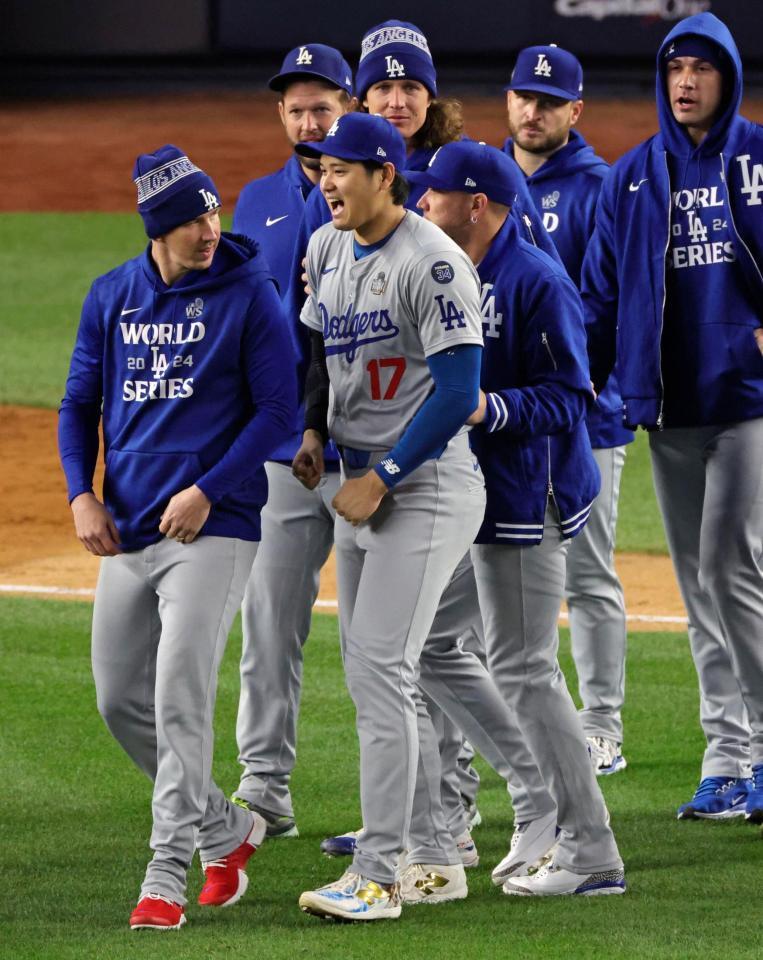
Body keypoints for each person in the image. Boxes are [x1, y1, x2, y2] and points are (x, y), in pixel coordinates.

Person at [58, 145, 296, 930]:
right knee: (119, 697)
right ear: (158, 228)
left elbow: (276, 414)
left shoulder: (249, 294)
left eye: (212, 211)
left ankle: (165, 875)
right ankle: (229, 829)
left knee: (179, 696)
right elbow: (78, 403)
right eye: (192, 218)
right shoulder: (113, 296)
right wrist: (80, 495)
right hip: (125, 529)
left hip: (214, 528)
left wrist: (206, 490)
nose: (208, 228)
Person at [413, 140, 626, 896]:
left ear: (477, 206)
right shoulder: (444, 270)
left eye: (433, 195)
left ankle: (590, 850)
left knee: (526, 668)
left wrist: (489, 408)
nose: (420, 203)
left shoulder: (533, 280)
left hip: (525, 498)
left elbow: (571, 395)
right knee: (436, 642)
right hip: (471, 498)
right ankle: (539, 800)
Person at [291, 112, 487, 921]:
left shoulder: (431, 263)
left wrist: (387, 475)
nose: (326, 181)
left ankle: (376, 875)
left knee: (382, 668)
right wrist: (310, 429)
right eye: (320, 167)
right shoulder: (326, 247)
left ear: (383, 175)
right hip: (356, 484)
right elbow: (317, 352)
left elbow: (456, 390)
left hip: (428, 485)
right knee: (380, 674)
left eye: (340, 168)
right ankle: (431, 853)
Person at [582, 12, 763, 822]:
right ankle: (725, 759)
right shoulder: (630, 177)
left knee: (730, 569)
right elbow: (595, 294)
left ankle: (760, 744)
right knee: (699, 586)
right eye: (674, 68)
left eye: (701, 68)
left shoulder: (757, 157)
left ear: (725, 77)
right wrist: (580, 381)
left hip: (747, 403)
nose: (685, 82)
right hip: (669, 406)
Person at [231, 43, 354, 840]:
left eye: (324, 107)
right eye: (297, 109)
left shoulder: (385, 191)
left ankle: (429, 803)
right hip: (284, 453)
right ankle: (263, 788)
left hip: (371, 449)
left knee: (395, 641)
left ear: (349, 109)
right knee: (270, 623)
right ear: (281, 116)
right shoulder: (252, 204)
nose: (310, 122)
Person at [503, 44, 634, 776]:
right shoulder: (478, 179)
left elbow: (604, 305)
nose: (533, 110)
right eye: (523, 96)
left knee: (587, 573)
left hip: (587, 413)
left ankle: (602, 725)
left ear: (574, 111)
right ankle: (524, 728)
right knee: (500, 573)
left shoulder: (598, 188)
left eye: (549, 102)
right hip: (506, 417)